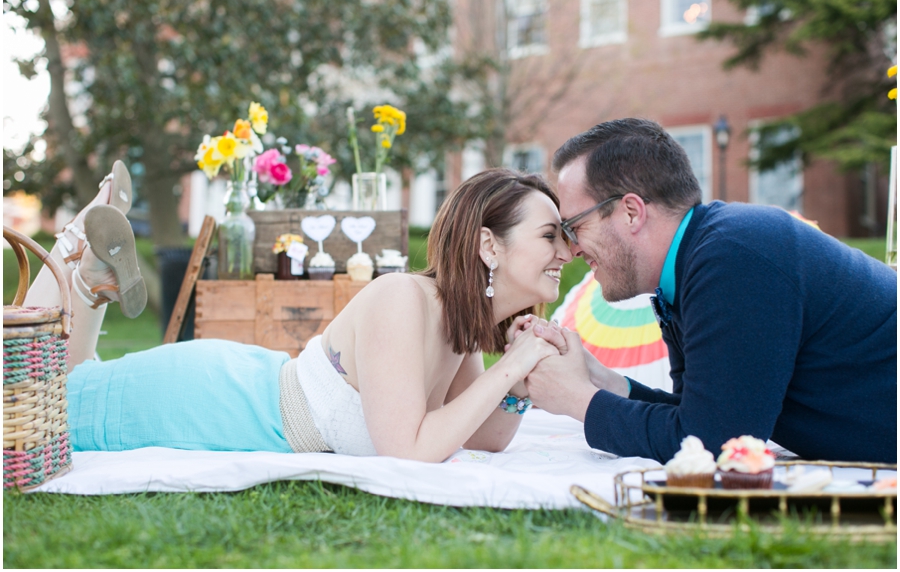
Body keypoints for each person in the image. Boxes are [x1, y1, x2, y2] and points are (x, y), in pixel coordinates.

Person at [26, 165, 572, 463]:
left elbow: (481, 438)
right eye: (550, 236)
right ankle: (76, 245)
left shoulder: (459, 326)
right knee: (35, 400)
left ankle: (89, 277)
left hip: (236, 395)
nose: (566, 254)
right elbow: (409, 452)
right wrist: (510, 364)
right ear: (489, 246)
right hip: (213, 402)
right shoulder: (403, 299)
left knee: (68, 388)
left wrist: (517, 385)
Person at [520, 118, 897, 464]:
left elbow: (711, 444)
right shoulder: (697, 261)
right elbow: (699, 417)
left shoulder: (734, 256)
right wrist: (602, 381)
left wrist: (578, 400)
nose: (570, 250)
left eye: (574, 227)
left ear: (631, 212)